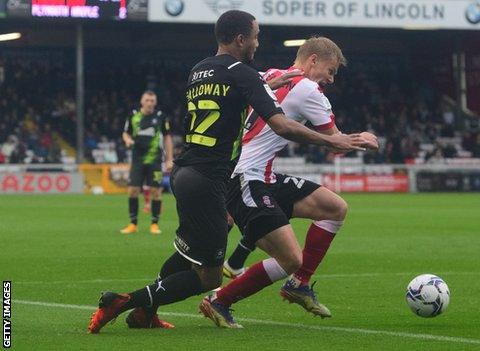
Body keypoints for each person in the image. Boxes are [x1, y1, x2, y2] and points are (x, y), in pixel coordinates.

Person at [88, 10, 366, 333]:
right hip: (210, 178)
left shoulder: (199, 70)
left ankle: (145, 314)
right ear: (240, 39)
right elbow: (281, 124)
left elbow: (234, 99)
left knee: (187, 255)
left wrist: (268, 84)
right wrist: (336, 140)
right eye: (256, 37)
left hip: (185, 170)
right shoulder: (244, 73)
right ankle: (123, 301)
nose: (257, 44)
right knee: (209, 275)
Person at [215, 37, 379, 320]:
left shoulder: (272, 74)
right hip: (246, 178)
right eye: (330, 71)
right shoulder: (308, 90)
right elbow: (336, 142)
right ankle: (219, 301)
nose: (330, 79)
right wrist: (364, 139)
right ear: (313, 60)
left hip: (259, 175)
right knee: (290, 258)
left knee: (334, 208)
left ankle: (299, 284)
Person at [119, 91, 173, 235]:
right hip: (137, 159)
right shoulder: (133, 115)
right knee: (132, 190)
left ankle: (154, 224)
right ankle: (133, 224)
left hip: (155, 159)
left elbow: (167, 138)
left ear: (155, 102)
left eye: (152, 100)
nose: (150, 103)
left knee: (156, 191)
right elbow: (125, 132)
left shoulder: (161, 117)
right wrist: (127, 140)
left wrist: (169, 159)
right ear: (142, 101)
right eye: (147, 100)